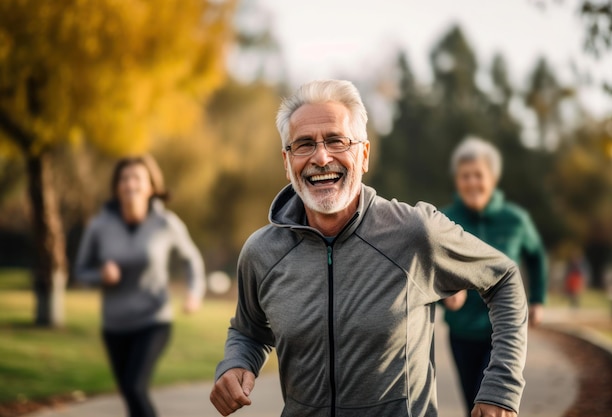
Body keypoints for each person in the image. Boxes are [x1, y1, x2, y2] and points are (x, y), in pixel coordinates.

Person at [209, 80, 528, 417]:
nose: (321, 156)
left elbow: (503, 278)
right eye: (304, 144)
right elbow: (249, 330)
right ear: (287, 163)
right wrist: (235, 363)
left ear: (363, 155)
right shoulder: (262, 252)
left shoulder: (415, 233)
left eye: (336, 140)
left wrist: (500, 388)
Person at [74, 154, 206, 417]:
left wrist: (194, 293)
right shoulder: (99, 226)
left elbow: (191, 260)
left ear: (151, 187)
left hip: (153, 321)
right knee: (130, 396)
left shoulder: (166, 223)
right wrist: (101, 274)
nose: (129, 184)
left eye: (137, 178)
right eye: (123, 178)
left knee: (135, 388)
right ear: (116, 187)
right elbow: (80, 271)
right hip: (114, 326)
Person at [440, 137, 548, 416]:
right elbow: (432, 270)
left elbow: (536, 257)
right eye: (465, 176)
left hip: (502, 331)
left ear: (493, 177)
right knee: (472, 404)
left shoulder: (515, 220)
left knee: (493, 404)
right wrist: (446, 295)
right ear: (457, 180)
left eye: (479, 175)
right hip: (462, 331)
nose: (472, 183)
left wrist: (537, 299)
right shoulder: (443, 220)